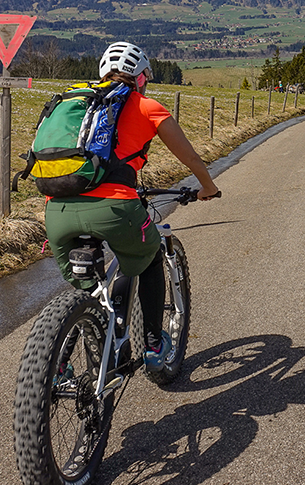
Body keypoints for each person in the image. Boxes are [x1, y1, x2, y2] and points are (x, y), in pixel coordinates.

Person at [44, 41, 220, 371]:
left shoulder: (74, 103)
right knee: (150, 256)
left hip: (57, 211)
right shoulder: (146, 106)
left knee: (90, 290)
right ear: (141, 78)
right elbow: (190, 156)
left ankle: (58, 361)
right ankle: (153, 344)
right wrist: (207, 187)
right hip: (114, 210)